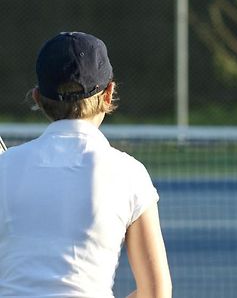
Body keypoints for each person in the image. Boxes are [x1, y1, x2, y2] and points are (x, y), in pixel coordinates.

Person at [0, 32, 172, 297]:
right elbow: (157, 292)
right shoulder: (130, 174)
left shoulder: (6, 168)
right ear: (109, 93)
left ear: (37, 98)